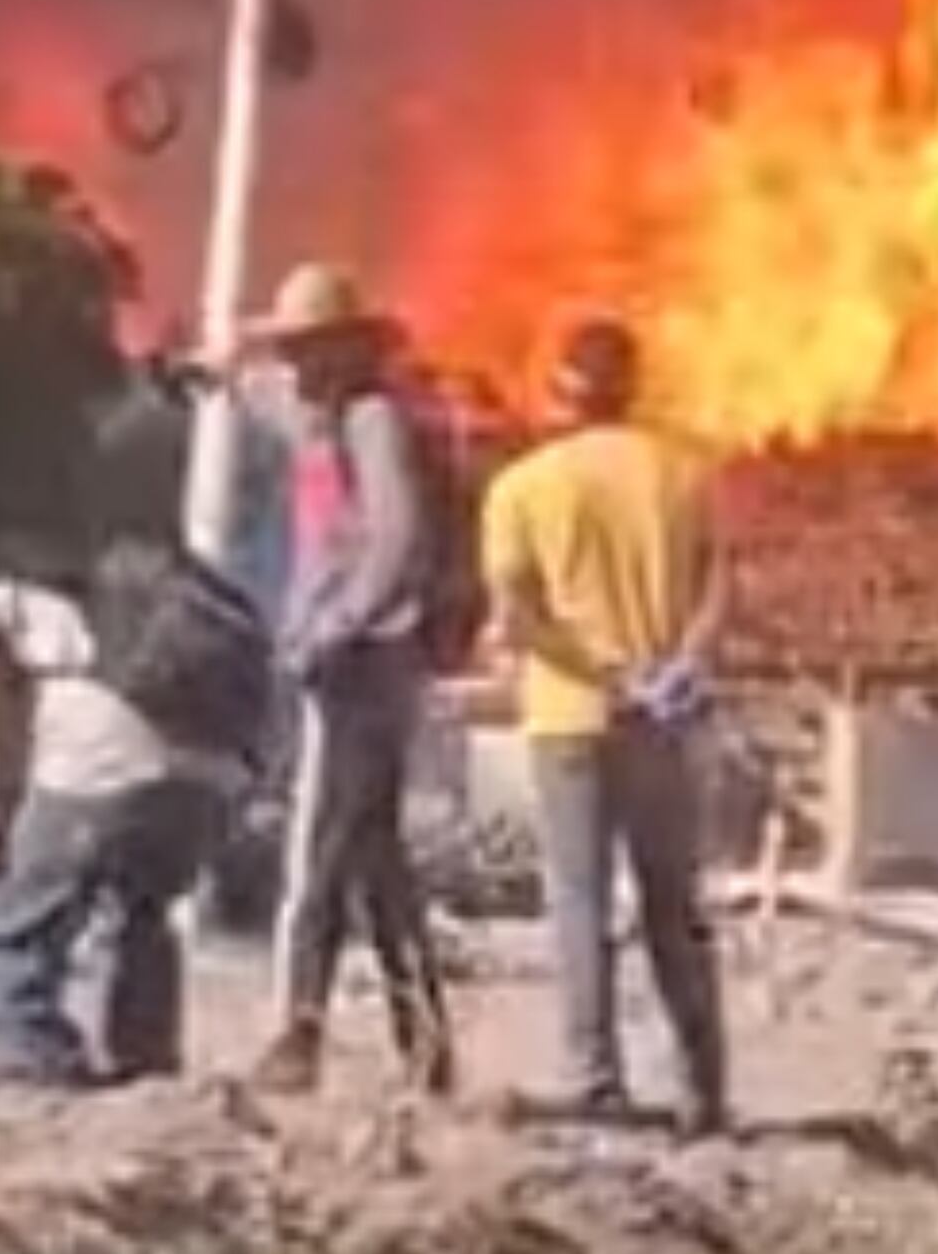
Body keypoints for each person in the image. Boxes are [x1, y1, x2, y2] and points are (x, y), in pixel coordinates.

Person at [481, 316, 733, 1133]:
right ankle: (705, 1090)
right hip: (662, 722)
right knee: (673, 904)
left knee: (580, 902)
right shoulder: (686, 475)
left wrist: (602, 672)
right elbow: (719, 584)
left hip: (569, 720)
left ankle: (597, 1086)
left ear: (559, 389)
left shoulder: (522, 487)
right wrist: (679, 666)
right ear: (632, 388)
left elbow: (518, 618)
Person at [236, 264, 456, 1097]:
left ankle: (298, 1033)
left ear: (344, 349)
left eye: (305, 349)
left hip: (362, 662)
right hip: (357, 658)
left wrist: (333, 625)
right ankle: (424, 1042)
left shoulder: (372, 423)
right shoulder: (328, 421)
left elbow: (397, 539)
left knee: (320, 851)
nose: (293, 366)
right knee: (374, 860)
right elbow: (256, 395)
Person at [0, 532, 247, 1085]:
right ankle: (144, 1071)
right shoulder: (106, 595)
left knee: (2, 935)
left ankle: (30, 1072)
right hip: (214, 773)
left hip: (108, 754)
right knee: (139, 915)